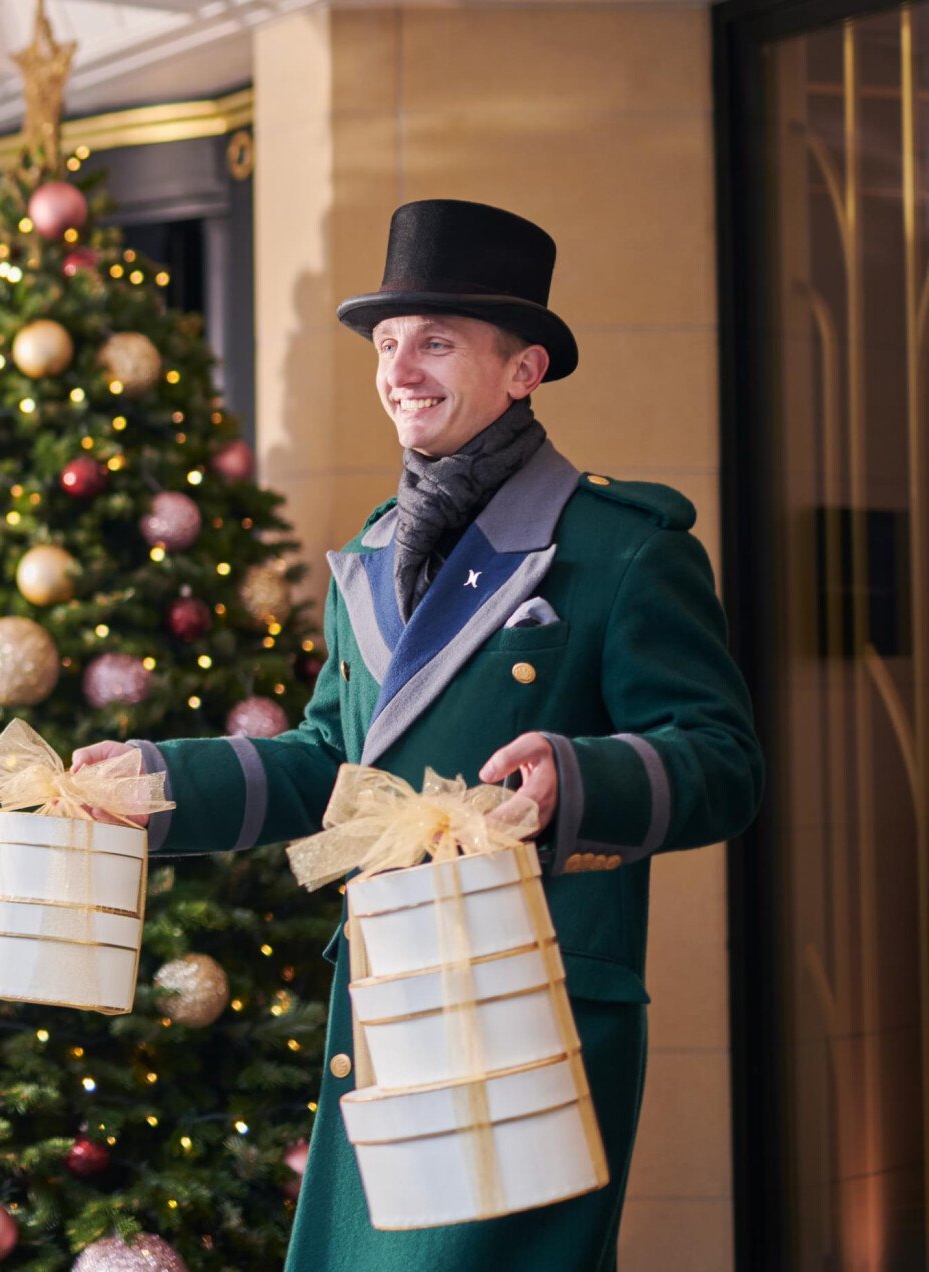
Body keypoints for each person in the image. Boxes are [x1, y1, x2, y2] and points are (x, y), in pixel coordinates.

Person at [72, 200, 764, 1270]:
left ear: (525, 368)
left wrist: (574, 778)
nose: (400, 368)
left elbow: (723, 764)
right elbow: (325, 770)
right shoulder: (374, 552)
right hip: (388, 1002)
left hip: (525, 1016)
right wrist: (150, 781)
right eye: (388, 345)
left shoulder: (622, 548)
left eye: (434, 340)